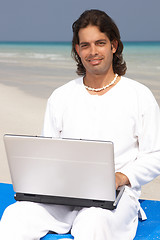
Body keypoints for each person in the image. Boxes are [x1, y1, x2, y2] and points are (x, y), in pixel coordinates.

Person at [0, 9, 160, 240]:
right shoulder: (61, 96)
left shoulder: (138, 95)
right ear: (77, 50)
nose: (93, 52)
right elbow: (47, 152)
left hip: (116, 197)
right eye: (85, 45)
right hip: (63, 193)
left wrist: (120, 176)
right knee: (15, 216)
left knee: (92, 222)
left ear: (113, 46)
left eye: (100, 43)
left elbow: (155, 154)